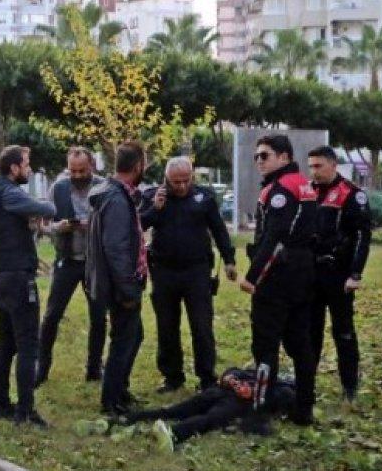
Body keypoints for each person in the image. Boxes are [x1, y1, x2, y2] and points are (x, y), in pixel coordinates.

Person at [240, 134, 318, 425]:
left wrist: (253, 276)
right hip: (302, 273)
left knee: (265, 345)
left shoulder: (280, 190)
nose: (259, 161)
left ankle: (260, 410)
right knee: (300, 344)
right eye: (256, 156)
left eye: (265, 155)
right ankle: (304, 407)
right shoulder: (304, 185)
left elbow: (274, 238)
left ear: (284, 157)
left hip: (278, 276)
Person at [140, 157, 237, 392]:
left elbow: (219, 229)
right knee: (167, 326)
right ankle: (172, 376)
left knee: (202, 326)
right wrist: (155, 209)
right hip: (164, 270)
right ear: (166, 178)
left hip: (197, 270)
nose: (182, 186)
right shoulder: (153, 196)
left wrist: (229, 259)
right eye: (176, 182)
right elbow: (139, 225)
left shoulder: (204, 197)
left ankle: (206, 377)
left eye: (186, 180)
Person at [0, 145, 56, 427]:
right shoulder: (10, 193)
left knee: (6, 343)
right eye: (26, 164)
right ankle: (25, 411)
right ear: (13, 168)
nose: (29, 169)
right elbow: (46, 207)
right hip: (19, 278)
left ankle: (1, 404)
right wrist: (46, 209)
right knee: (28, 346)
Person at [87, 142, 149, 416]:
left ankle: (119, 392)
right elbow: (117, 248)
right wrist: (128, 291)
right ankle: (112, 401)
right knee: (125, 339)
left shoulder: (118, 194)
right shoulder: (116, 199)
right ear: (138, 167)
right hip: (120, 285)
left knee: (133, 336)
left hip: (117, 282)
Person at [36, 147, 107, 386]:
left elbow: (114, 223)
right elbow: (43, 226)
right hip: (66, 260)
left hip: (95, 262)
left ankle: (94, 368)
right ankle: (41, 367)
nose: (77, 175)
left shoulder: (104, 187)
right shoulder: (58, 188)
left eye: (82, 170)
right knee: (52, 316)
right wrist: (60, 227)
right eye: (73, 170)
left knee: (98, 317)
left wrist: (94, 225)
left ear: (92, 166)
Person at [306, 146, 372, 401]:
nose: (314, 171)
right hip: (313, 274)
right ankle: (306, 384)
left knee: (343, 332)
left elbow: (362, 237)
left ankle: (349, 386)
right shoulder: (308, 192)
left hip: (339, 275)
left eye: (319, 166)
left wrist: (355, 273)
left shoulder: (352, 195)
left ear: (334, 165)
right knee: (311, 331)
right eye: (311, 166)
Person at [125, 367, 297, 446]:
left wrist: (251, 393)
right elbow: (233, 371)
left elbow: (276, 407)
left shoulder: (283, 390)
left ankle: (174, 434)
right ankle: (130, 418)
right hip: (221, 391)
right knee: (176, 410)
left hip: (238, 404)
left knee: (209, 420)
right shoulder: (260, 371)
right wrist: (232, 380)